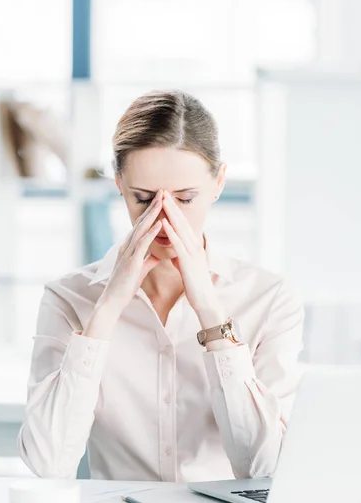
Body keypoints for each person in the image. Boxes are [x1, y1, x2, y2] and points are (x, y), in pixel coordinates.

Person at [18, 90, 304, 481]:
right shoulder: (68, 298)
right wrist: (107, 308)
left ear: (219, 182)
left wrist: (209, 310)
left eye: (185, 199)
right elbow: (46, 465)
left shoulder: (269, 300)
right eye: (144, 198)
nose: (164, 218)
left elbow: (266, 470)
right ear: (119, 184)